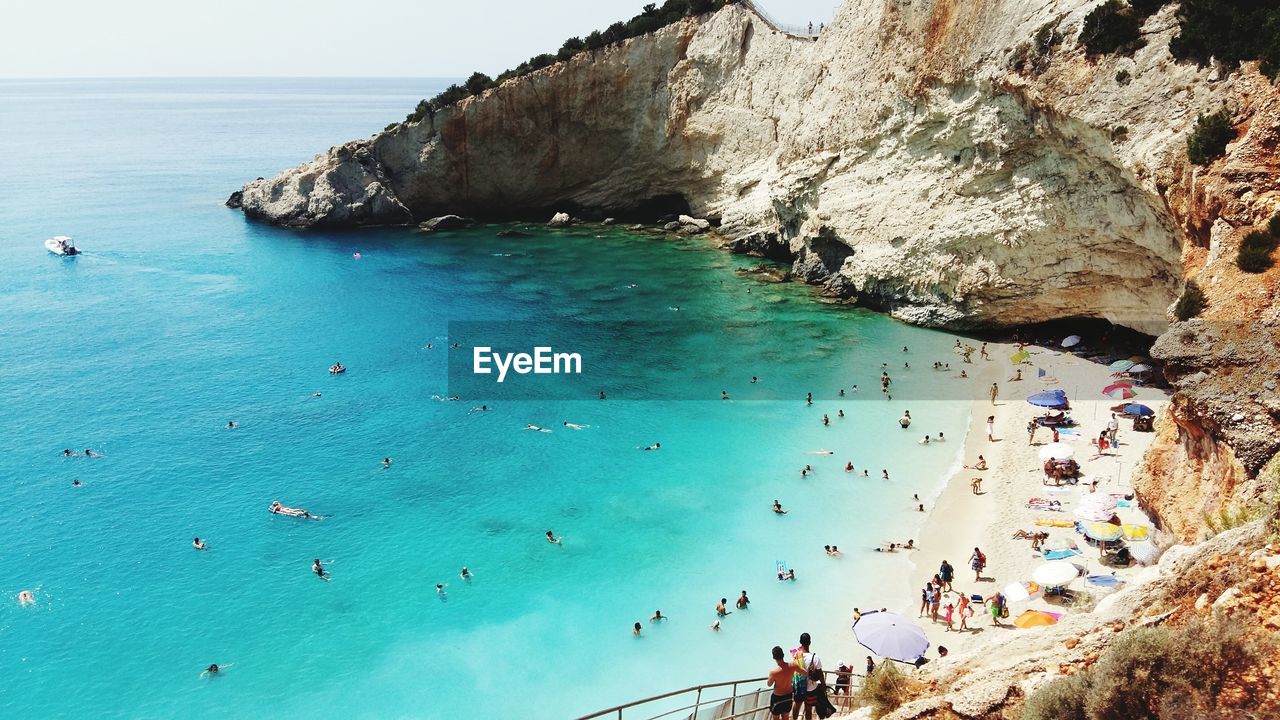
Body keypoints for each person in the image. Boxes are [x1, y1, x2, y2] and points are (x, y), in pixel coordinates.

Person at [793, 632, 822, 720]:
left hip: (799, 687)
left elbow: (794, 670)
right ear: (810, 642)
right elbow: (820, 674)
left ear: (800, 642)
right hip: (810, 688)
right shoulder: (815, 658)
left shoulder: (796, 656)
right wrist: (823, 685)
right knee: (808, 709)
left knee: (797, 705)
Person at [767, 646, 794, 720]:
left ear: (773, 657)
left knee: (776, 718)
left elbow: (769, 684)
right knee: (786, 717)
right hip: (788, 695)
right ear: (783, 655)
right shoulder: (791, 666)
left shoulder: (773, 672)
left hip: (777, 698)